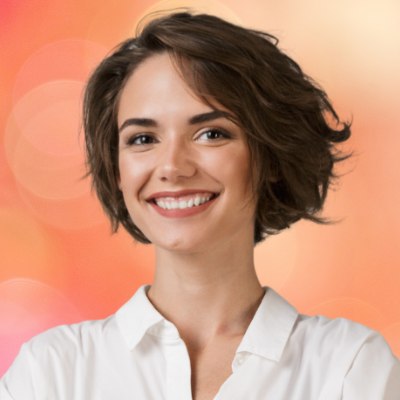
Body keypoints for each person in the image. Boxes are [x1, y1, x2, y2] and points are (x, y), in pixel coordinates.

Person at [1, 11, 399, 400]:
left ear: (269, 157)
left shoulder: (350, 367)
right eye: (142, 139)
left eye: (211, 133)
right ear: (117, 169)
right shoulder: (50, 372)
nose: (172, 167)